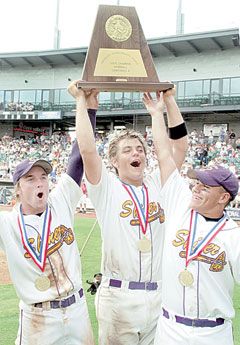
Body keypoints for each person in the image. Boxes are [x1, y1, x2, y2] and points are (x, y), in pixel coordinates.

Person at [68, 81, 188, 345]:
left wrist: (167, 104)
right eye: (127, 150)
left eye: (140, 150)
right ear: (113, 160)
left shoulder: (159, 183)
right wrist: (82, 103)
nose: (137, 154)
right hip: (119, 298)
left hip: (159, 294)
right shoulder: (107, 188)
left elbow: (179, 148)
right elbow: (87, 151)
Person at [143, 91, 240, 345]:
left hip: (212, 333)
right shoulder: (180, 206)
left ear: (223, 198)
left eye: (205, 186)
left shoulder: (234, 236)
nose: (196, 188)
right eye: (197, 182)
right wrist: (160, 110)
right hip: (170, 328)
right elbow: (165, 154)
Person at [0, 96, 98, 344]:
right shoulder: (8, 224)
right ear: (18, 190)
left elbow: (78, 158)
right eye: (30, 179)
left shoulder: (61, 200)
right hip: (37, 317)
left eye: (43, 176)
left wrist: (89, 107)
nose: (40, 182)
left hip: (76, 310)